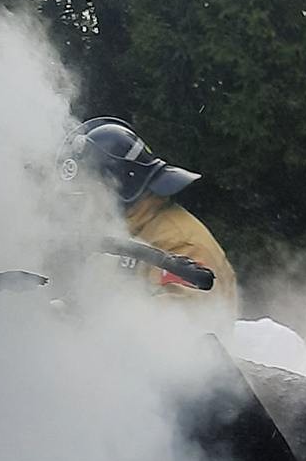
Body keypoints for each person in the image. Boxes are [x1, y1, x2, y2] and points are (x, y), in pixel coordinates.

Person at [56, 117, 238, 323]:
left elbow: (177, 326)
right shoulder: (124, 233)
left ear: (118, 187)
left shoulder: (183, 244)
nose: (81, 207)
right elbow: (87, 300)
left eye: (86, 194)